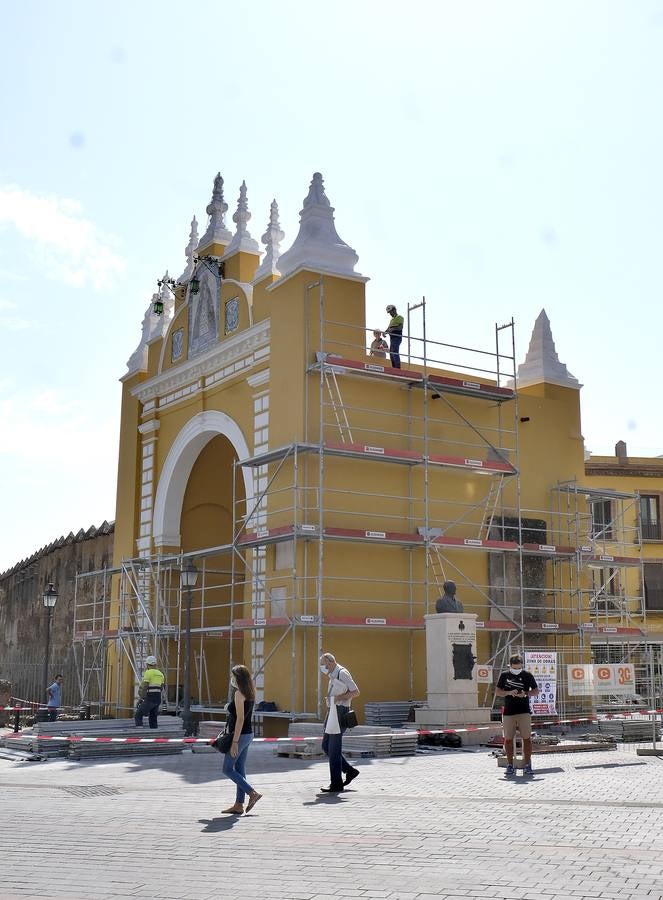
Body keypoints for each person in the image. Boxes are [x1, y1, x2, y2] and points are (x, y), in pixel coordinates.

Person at [221, 665, 262, 815]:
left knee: (227, 769)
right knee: (239, 769)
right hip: (248, 734)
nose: (231, 680)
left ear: (238, 678)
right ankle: (239, 804)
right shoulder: (250, 692)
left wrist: (235, 742)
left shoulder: (239, 694)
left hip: (241, 735)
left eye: (233, 677)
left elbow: (240, 719)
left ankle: (252, 793)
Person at [319, 652, 361, 793]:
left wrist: (339, 698)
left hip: (340, 712)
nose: (322, 668)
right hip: (332, 712)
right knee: (326, 746)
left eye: (323, 665)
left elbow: (355, 692)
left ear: (330, 662)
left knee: (334, 749)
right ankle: (349, 770)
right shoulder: (332, 674)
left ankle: (336, 783)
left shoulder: (342, 673)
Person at [495, 654, 539, 776]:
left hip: (524, 711)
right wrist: (509, 692)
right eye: (514, 668)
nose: (517, 670)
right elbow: (498, 691)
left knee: (527, 738)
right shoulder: (504, 675)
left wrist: (525, 693)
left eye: (519, 668)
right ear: (510, 666)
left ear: (522, 666)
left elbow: (536, 691)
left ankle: (528, 764)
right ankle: (510, 765)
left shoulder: (527, 675)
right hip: (509, 712)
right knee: (508, 739)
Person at [134, 655, 165, 729]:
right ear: (155, 664)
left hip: (150, 698)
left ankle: (139, 732)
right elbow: (161, 687)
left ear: (147, 664)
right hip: (157, 699)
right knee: (153, 718)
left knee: (138, 714)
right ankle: (154, 734)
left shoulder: (148, 673)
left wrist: (141, 698)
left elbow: (145, 686)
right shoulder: (161, 674)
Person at [384, 305, 404, 369]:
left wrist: (393, 329)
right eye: (389, 313)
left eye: (391, 312)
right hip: (392, 338)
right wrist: (385, 332)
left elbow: (400, 327)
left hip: (397, 337)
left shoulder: (399, 317)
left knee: (394, 351)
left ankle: (397, 368)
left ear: (394, 310)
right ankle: (394, 368)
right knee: (391, 353)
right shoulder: (392, 320)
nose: (390, 314)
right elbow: (389, 328)